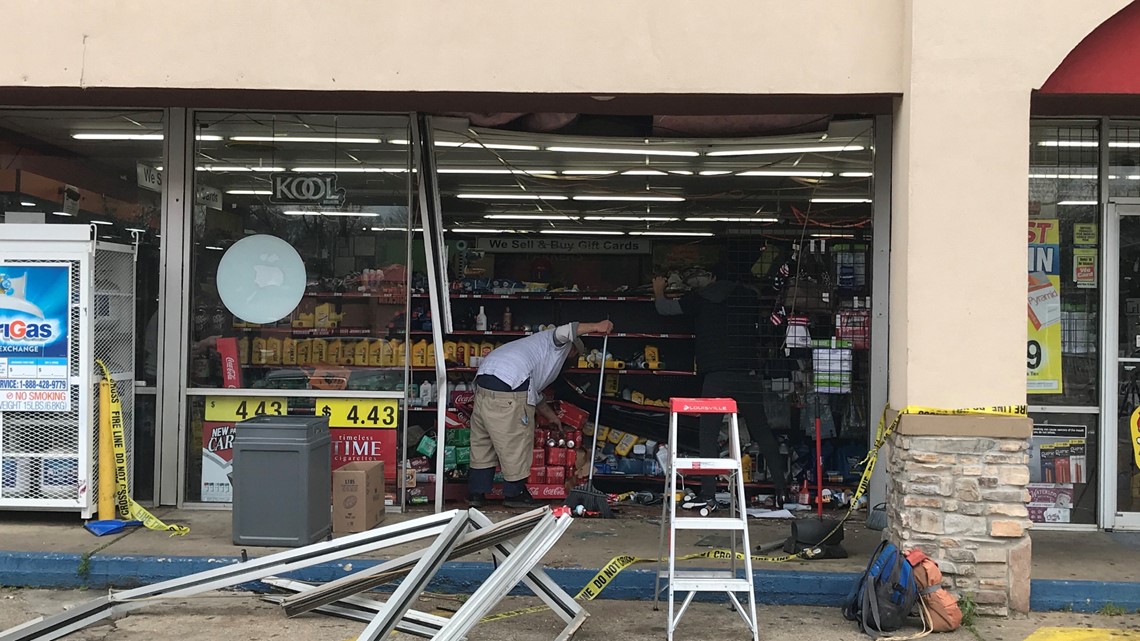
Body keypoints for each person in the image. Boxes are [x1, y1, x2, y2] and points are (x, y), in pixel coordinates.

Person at [653, 267, 787, 510]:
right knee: (762, 432)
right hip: (747, 375)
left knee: (708, 436)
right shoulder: (748, 296)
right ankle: (782, 492)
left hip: (716, 376)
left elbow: (664, 309)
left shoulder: (700, 298)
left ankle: (709, 495)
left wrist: (658, 291)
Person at [468, 319, 614, 508]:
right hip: (510, 389)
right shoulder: (555, 343)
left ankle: (476, 494)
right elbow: (565, 330)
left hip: (484, 385)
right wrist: (596, 326)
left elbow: (532, 391)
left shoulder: (531, 347)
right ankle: (514, 493)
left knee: (482, 443)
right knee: (516, 442)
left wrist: (551, 416)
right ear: (572, 350)